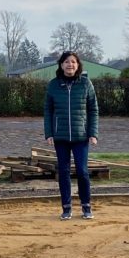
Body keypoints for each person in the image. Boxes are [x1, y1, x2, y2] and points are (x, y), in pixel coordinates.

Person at [44, 51, 99, 220]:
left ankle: (86, 206)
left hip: (81, 137)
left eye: (73, 62)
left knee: (82, 171)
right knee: (64, 171)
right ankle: (66, 208)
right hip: (60, 137)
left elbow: (93, 109)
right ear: (61, 65)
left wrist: (93, 133)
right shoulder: (53, 85)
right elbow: (48, 110)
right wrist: (49, 133)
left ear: (78, 65)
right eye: (67, 62)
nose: (70, 65)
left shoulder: (85, 84)